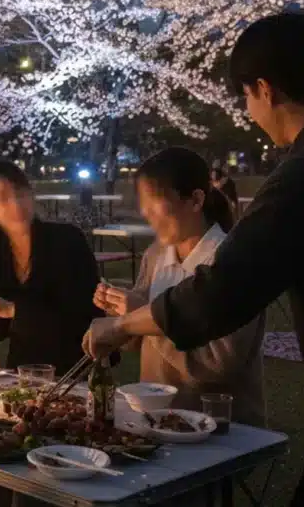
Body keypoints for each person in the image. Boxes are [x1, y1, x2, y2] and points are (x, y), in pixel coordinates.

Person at [82, 12, 304, 506]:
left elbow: (219, 292)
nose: (247, 109)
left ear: (265, 89)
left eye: (245, 95)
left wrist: (123, 326)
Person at [0, 161, 102, 507]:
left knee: (40, 481)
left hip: (75, 376)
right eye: (4, 198)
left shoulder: (66, 242)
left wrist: (15, 309)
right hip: (23, 384)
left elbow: (85, 318)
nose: (16, 204)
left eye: (21, 192)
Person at [94, 148, 265, 426]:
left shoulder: (230, 263)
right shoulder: (156, 255)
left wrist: (148, 317)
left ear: (196, 199)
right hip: (157, 419)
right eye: (143, 204)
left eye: (155, 202)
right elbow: (140, 344)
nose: (146, 213)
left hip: (217, 426)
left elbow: (217, 364)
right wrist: (121, 315)